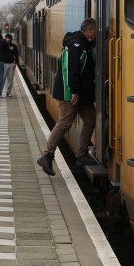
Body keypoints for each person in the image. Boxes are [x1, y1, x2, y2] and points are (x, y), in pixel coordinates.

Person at [37, 18, 97, 176]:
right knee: (65, 123)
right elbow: (70, 69)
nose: (96, 34)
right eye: (95, 31)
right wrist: (74, 92)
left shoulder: (85, 45)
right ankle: (47, 155)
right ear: (90, 30)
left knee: (91, 118)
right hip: (69, 93)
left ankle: (81, 154)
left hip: (82, 95)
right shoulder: (75, 45)